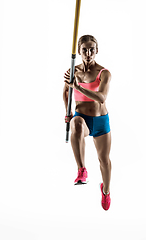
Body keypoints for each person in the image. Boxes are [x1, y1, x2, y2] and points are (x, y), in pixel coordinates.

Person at [63, 35, 112, 211]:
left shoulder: (104, 73)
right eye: (85, 50)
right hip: (81, 118)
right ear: (80, 51)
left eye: (92, 49)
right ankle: (81, 170)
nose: (89, 53)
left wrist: (79, 88)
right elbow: (66, 93)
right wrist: (67, 112)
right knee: (76, 123)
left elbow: (101, 97)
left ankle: (105, 191)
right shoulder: (73, 71)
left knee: (104, 161)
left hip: (100, 122)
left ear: (97, 50)